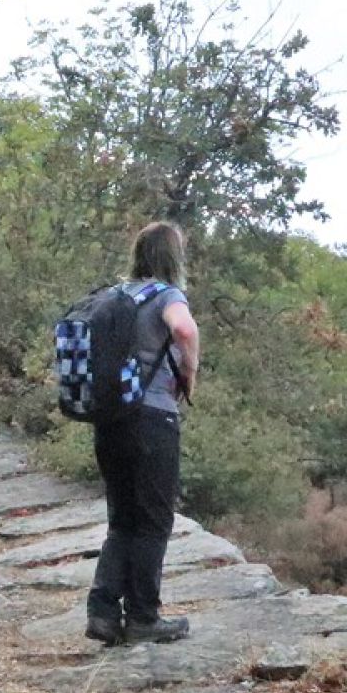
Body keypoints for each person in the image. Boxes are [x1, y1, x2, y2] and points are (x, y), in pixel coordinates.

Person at [85, 221, 201, 646]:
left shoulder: (115, 295)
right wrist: (189, 374)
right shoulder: (168, 295)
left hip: (110, 419)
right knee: (153, 522)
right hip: (152, 419)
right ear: (173, 258)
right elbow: (184, 329)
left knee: (122, 521)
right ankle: (143, 618)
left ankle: (101, 612)